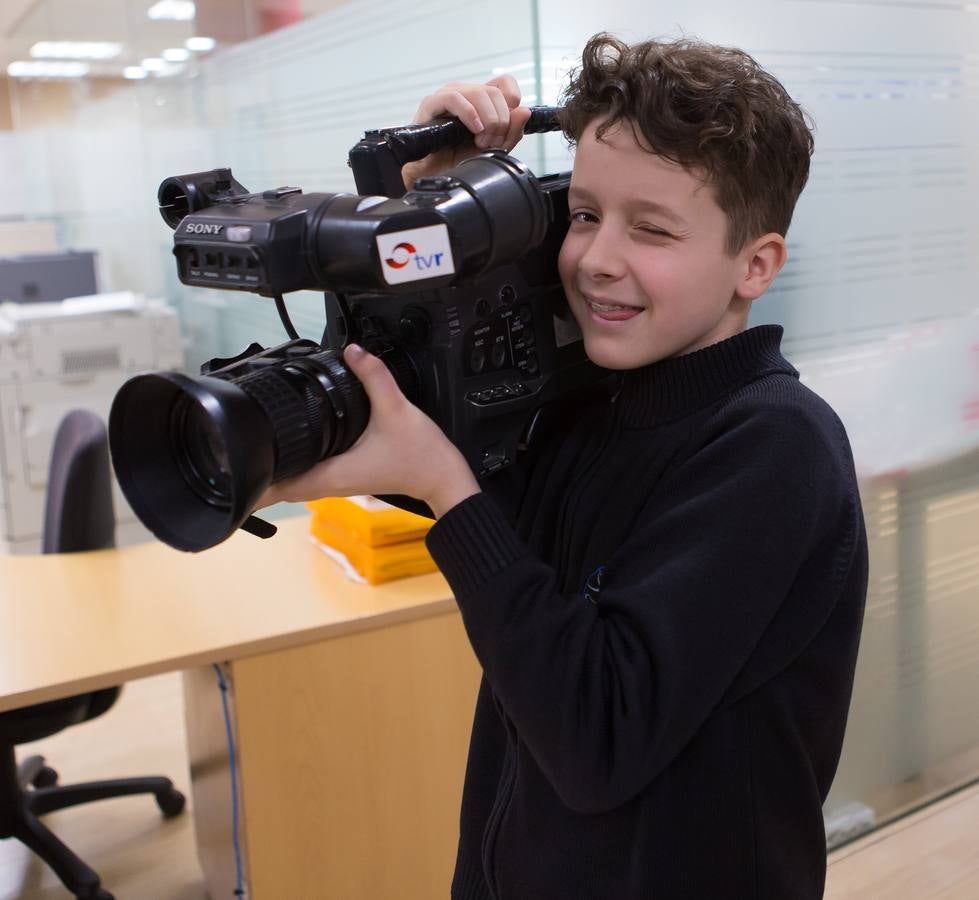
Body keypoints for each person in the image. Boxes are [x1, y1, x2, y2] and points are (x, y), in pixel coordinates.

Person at [262, 33, 869, 899]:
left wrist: (449, 491)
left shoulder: (775, 445)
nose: (595, 260)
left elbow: (596, 738)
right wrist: (427, 199)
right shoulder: (581, 399)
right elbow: (402, 412)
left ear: (755, 265)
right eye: (584, 214)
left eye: (651, 228)